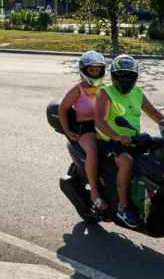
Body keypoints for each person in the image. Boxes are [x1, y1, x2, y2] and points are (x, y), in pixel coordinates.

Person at [94, 54, 164, 228]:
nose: (126, 80)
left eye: (130, 76)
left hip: (133, 139)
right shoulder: (105, 93)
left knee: (158, 155)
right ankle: (123, 206)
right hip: (110, 141)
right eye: (122, 76)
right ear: (114, 76)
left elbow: (154, 113)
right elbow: (99, 121)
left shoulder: (137, 92)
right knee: (126, 162)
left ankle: (148, 198)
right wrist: (117, 136)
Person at [58, 50, 108, 212]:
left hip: (105, 125)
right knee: (93, 151)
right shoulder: (77, 90)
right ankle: (94, 193)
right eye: (91, 70)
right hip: (86, 128)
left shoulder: (107, 88)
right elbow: (62, 108)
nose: (95, 72)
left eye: (97, 69)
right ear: (84, 71)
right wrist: (66, 130)